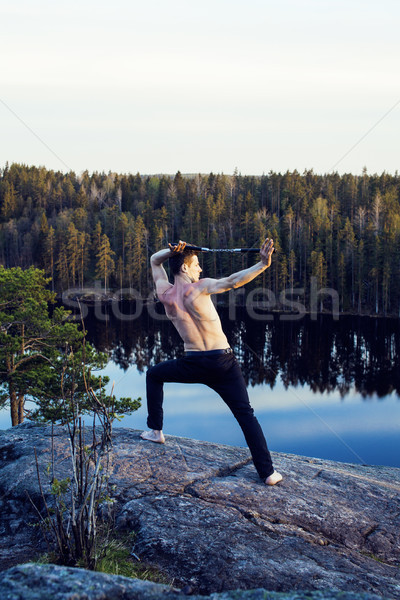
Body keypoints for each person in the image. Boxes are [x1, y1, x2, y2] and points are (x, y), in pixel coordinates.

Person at [140, 239, 282, 486]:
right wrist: (262, 264)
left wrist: (173, 251)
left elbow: (154, 259)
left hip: (193, 363)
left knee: (154, 374)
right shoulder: (200, 288)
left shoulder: (165, 293)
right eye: (196, 264)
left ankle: (156, 431)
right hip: (222, 362)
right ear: (184, 268)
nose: (200, 270)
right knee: (246, 415)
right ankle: (268, 473)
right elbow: (233, 281)